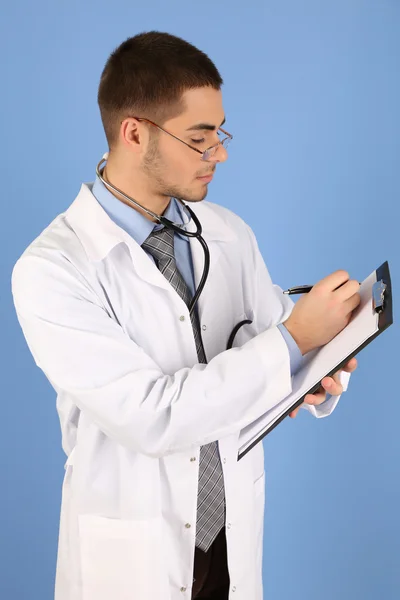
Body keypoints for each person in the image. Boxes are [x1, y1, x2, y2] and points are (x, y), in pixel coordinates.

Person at [11, 31, 360, 600]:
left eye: (220, 132)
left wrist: (315, 370)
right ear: (134, 133)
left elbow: (275, 346)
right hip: (133, 555)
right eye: (200, 138)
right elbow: (154, 416)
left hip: (232, 539)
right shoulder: (53, 269)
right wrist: (294, 341)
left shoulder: (226, 233)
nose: (219, 152)